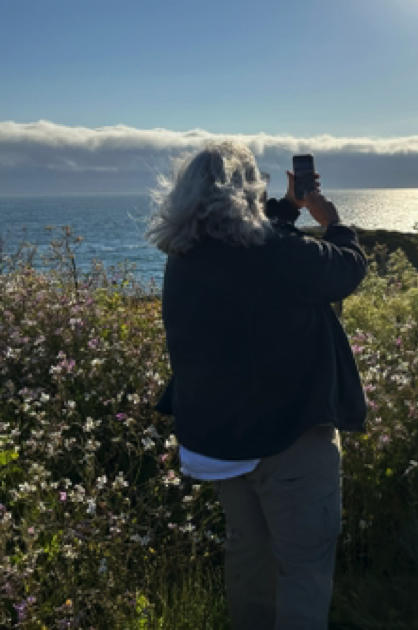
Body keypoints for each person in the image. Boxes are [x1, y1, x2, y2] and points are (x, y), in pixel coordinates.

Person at [146, 141, 368, 630]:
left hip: (221, 443)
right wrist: (333, 223)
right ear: (247, 190)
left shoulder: (184, 254)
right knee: (303, 567)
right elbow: (346, 270)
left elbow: (253, 246)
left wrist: (288, 209)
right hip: (285, 437)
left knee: (251, 559)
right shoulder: (275, 254)